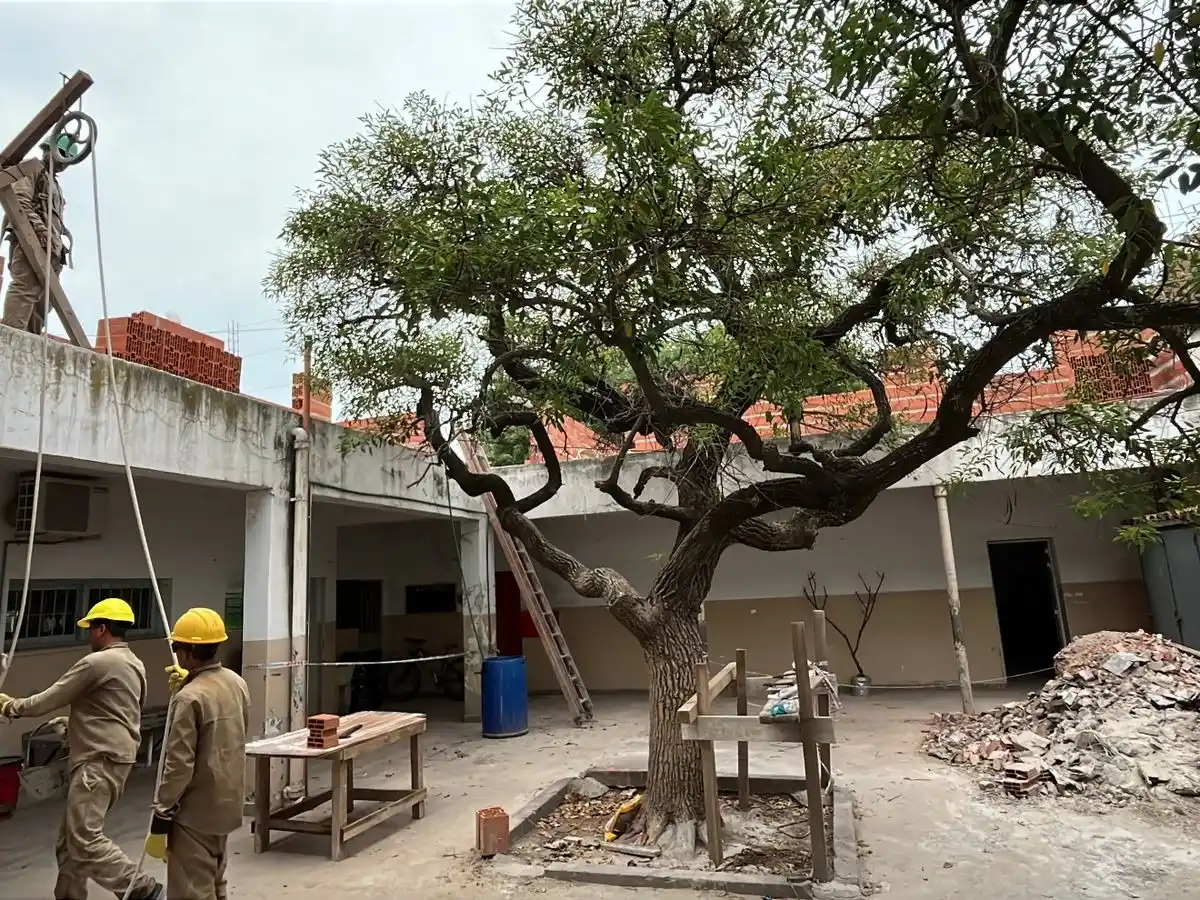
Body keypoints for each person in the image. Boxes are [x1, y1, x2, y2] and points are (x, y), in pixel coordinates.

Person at [0, 597, 163, 900]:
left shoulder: (97, 662)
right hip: (115, 759)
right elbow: (120, 709)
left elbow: (49, 698)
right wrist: (75, 722)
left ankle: (142, 889)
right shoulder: (133, 662)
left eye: (91, 628)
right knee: (70, 842)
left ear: (102, 629)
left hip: (97, 763)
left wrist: (10, 706)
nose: (89, 635)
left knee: (85, 840)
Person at [145, 608, 249, 900]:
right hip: (226, 804)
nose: (175, 653)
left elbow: (178, 765)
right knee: (216, 882)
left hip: (194, 815)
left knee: (191, 890)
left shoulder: (188, 698)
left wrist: (162, 811)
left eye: (177, 647)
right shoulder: (236, 683)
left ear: (189, 651)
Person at [1, 133, 74, 333]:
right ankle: (12, 337)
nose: (63, 161)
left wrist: (56, 242)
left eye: (67, 157)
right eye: (60, 153)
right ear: (47, 149)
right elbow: (20, 201)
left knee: (45, 298)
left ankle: (30, 339)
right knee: (25, 288)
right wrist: (41, 232)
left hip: (52, 248)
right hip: (30, 240)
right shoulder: (32, 169)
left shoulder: (55, 185)